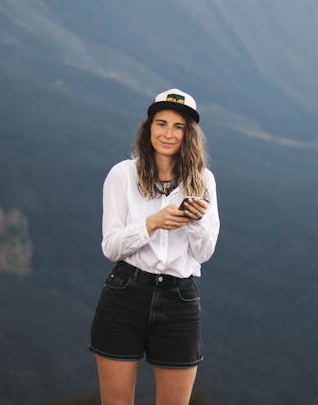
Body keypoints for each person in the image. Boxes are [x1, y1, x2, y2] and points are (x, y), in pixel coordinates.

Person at [89, 88, 220, 405]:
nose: (168, 133)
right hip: (125, 294)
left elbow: (203, 253)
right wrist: (153, 222)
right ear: (148, 127)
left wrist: (197, 221)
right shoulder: (122, 174)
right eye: (161, 123)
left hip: (179, 299)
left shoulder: (203, 180)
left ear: (189, 134)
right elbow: (111, 247)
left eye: (178, 126)